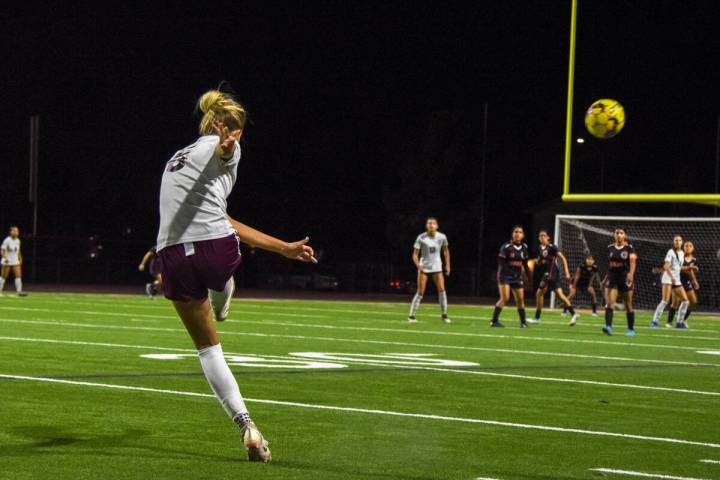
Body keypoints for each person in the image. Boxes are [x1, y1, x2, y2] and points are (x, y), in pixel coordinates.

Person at [156, 89, 317, 463]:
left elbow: (215, 210)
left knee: (208, 350)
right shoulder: (225, 147)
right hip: (216, 249)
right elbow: (223, 154)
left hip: (172, 256)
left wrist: (281, 246)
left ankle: (246, 425)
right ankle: (222, 291)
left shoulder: (176, 157)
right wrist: (227, 146)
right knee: (223, 278)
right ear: (229, 128)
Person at [528, 230, 579, 325]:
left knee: (540, 293)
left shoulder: (552, 247)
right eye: (540, 235)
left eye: (544, 235)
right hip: (547, 274)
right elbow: (541, 259)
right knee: (557, 295)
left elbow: (563, 258)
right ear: (539, 238)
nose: (542, 237)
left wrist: (567, 272)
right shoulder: (540, 248)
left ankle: (537, 318)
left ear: (548, 237)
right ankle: (573, 314)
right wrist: (537, 261)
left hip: (552, 273)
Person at [408, 217, 451, 324]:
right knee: (420, 292)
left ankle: (444, 315)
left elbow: (446, 251)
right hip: (424, 267)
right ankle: (411, 316)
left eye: (433, 223)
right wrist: (418, 265)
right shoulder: (421, 237)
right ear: (426, 226)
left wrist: (448, 265)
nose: (431, 225)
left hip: (437, 267)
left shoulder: (442, 237)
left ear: (437, 226)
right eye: (429, 223)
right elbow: (414, 254)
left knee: (442, 290)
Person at [491, 226, 530, 328]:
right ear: (512, 234)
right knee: (505, 298)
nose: (518, 234)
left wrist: (528, 276)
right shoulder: (506, 247)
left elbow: (525, 263)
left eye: (520, 232)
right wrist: (511, 272)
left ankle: (523, 323)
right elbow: (501, 262)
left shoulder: (524, 247)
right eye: (516, 232)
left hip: (517, 276)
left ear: (523, 235)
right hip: (504, 276)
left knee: (520, 300)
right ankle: (494, 321)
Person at [650, 235, 691, 329]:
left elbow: (678, 267)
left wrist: (689, 268)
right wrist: (672, 277)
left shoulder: (682, 253)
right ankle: (654, 321)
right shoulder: (671, 252)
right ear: (674, 242)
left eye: (679, 240)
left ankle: (679, 323)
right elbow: (666, 266)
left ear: (682, 242)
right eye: (676, 240)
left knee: (685, 301)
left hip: (676, 279)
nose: (677, 242)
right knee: (665, 300)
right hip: (668, 278)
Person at [603, 227, 637, 336]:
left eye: (621, 233)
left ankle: (631, 329)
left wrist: (631, 274)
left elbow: (632, 262)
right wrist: (605, 278)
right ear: (614, 235)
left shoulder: (629, 248)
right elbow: (609, 265)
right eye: (617, 233)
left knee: (628, 304)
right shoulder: (610, 248)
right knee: (609, 303)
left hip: (624, 278)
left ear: (625, 235)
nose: (619, 234)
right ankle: (608, 327)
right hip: (612, 277)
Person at [673, 240, 699, 326]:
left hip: (687, 281)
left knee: (693, 301)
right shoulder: (680, 257)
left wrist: (694, 281)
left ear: (693, 248)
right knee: (677, 303)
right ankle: (673, 321)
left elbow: (690, 271)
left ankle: (683, 319)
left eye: (690, 246)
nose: (688, 247)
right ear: (683, 248)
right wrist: (689, 268)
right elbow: (678, 268)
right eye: (686, 246)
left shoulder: (694, 260)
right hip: (678, 281)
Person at [0, 226, 27, 297]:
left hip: (15, 260)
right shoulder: (7, 240)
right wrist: (5, 258)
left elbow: (18, 251)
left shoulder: (18, 240)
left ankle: (19, 291)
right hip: (7, 261)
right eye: (14, 231)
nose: (16, 232)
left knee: (18, 276)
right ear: (10, 232)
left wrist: (20, 258)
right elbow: (2, 251)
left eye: (17, 231)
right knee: (3, 277)